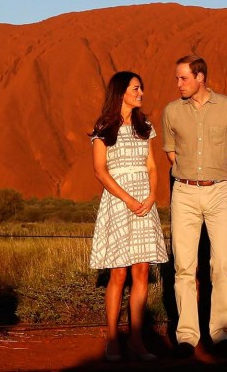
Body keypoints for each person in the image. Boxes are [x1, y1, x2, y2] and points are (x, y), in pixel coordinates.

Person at [162, 55, 227, 359]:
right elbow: (171, 153)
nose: (178, 84)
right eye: (177, 78)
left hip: (219, 192)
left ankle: (221, 334)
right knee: (184, 266)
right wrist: (190, 176)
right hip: (184, 192)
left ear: (200, 77)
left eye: (183, 78)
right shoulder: (172, 111)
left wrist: (219, 174)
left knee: (222, 264)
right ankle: (186, 337)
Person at [88, 71, 169, 362]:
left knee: (142, 271)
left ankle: (136, 339)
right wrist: (128, 198)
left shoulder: (144, 125)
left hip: (144, 204)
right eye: (136, 88)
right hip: (119, 202)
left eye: (142, 88)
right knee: (119, 273)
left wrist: (151, 197)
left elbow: (152, 166)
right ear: (121, 92)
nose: (141, 93)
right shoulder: (103, 127)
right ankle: (112, 339)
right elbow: (100, 171)